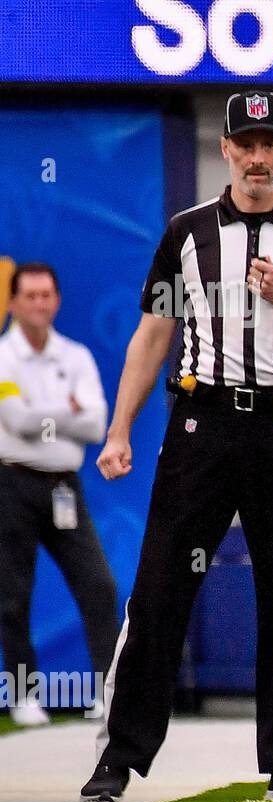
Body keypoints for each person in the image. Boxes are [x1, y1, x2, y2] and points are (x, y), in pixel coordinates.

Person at [82, 91, 273, 802]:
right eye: (243, 142)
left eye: (267, 142)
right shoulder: (187, 233)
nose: (255, 155)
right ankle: (117, 757)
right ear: (223, 150)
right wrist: (120, 428)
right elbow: (153, 333)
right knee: (158, 590)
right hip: (201, 426)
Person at [0, 263, 117, 724]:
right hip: (13, 483)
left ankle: (107, 689)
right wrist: (65, 412)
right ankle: (24, 693)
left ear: (58, 301)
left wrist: (47, 415)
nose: (39, 303)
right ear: (12, 303)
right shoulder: (4, 357)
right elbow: (16, 421)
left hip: (64, 486)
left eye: (46, 295)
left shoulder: (76, 357)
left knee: (99, 586)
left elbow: (94, 424)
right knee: (12, 593)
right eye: (29, 295)